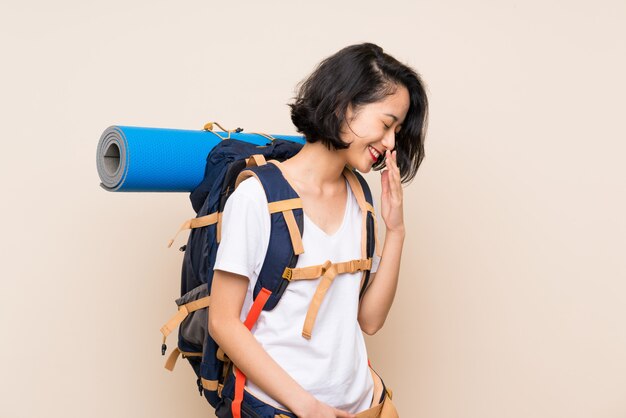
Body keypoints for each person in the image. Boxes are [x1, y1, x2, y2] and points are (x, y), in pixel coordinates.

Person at [209, 42, 428, 418]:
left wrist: (396, 231)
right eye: (387, 124)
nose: (391, 143)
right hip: (285, 409)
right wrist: (308, 407)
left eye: (397, 130)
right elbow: (222, 322)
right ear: (345, 105)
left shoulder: (361, 198)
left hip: (365, 404)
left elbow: (369, 321)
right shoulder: (256, 197)